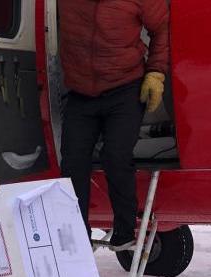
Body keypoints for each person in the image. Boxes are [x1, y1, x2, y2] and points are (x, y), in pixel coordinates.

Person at [58, 0, 169, 250]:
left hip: (125, 87)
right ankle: (77, 231)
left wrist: (156, 72)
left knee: (116, 156)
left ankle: (124, 229)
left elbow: (161, 27)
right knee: (73, 161)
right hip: (80, 92)